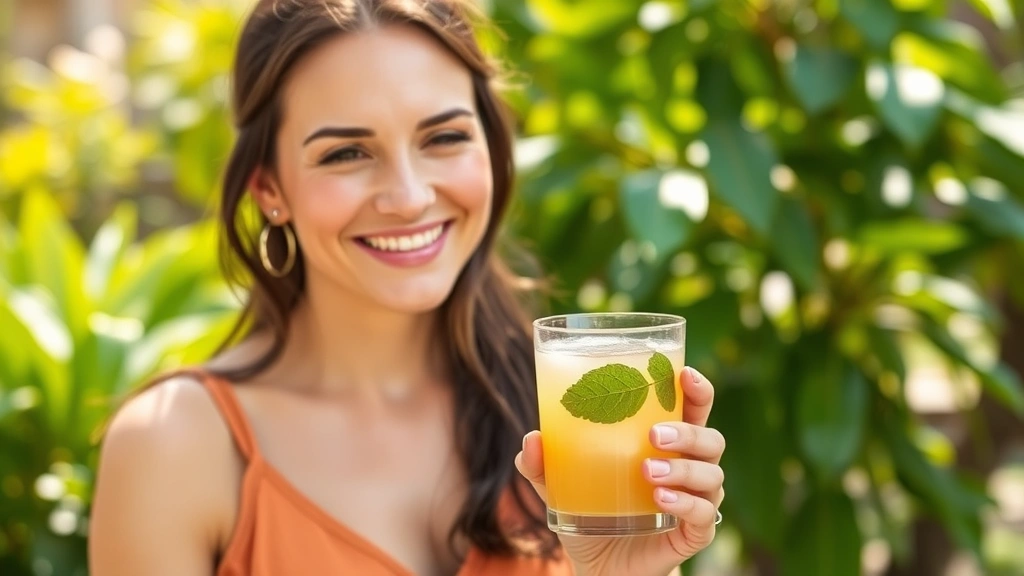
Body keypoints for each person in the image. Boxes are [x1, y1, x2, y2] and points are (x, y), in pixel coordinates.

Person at [87, 1, 727, 575]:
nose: (410, 197)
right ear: (269, 190)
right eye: (346, 154)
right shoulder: (175, 447)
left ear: (493, 149)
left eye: (444, 138)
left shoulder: (562, 409)